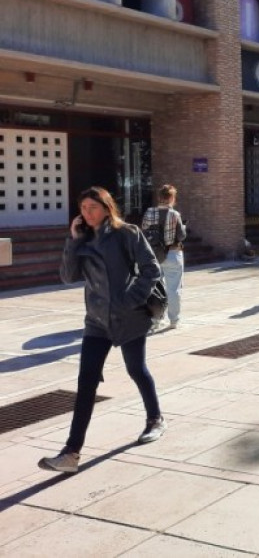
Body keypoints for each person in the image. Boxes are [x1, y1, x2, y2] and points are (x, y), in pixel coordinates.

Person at [38, 187, 165, 474]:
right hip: (96, 321)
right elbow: (68, 276)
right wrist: (73, 241)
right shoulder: (82, 239)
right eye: (82, 208)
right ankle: (71, 452)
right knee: (86, 383)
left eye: (92, 207)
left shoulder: (127, 233)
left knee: (136, 369)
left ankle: (155, 418)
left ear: (107, 208)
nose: (87, 213)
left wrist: (128, 300)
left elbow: (151, 270)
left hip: (128, 318)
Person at [140, 184, 187, 330]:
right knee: (174, 289)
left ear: (159, 197)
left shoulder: (149, 212)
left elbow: (143, 232)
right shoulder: (174, 214)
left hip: (153, 255)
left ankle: (156, 319)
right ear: (172, 198)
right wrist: (183, 227)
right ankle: (174, 320)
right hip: (173, 254)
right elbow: (181, 236)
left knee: (155, 288)